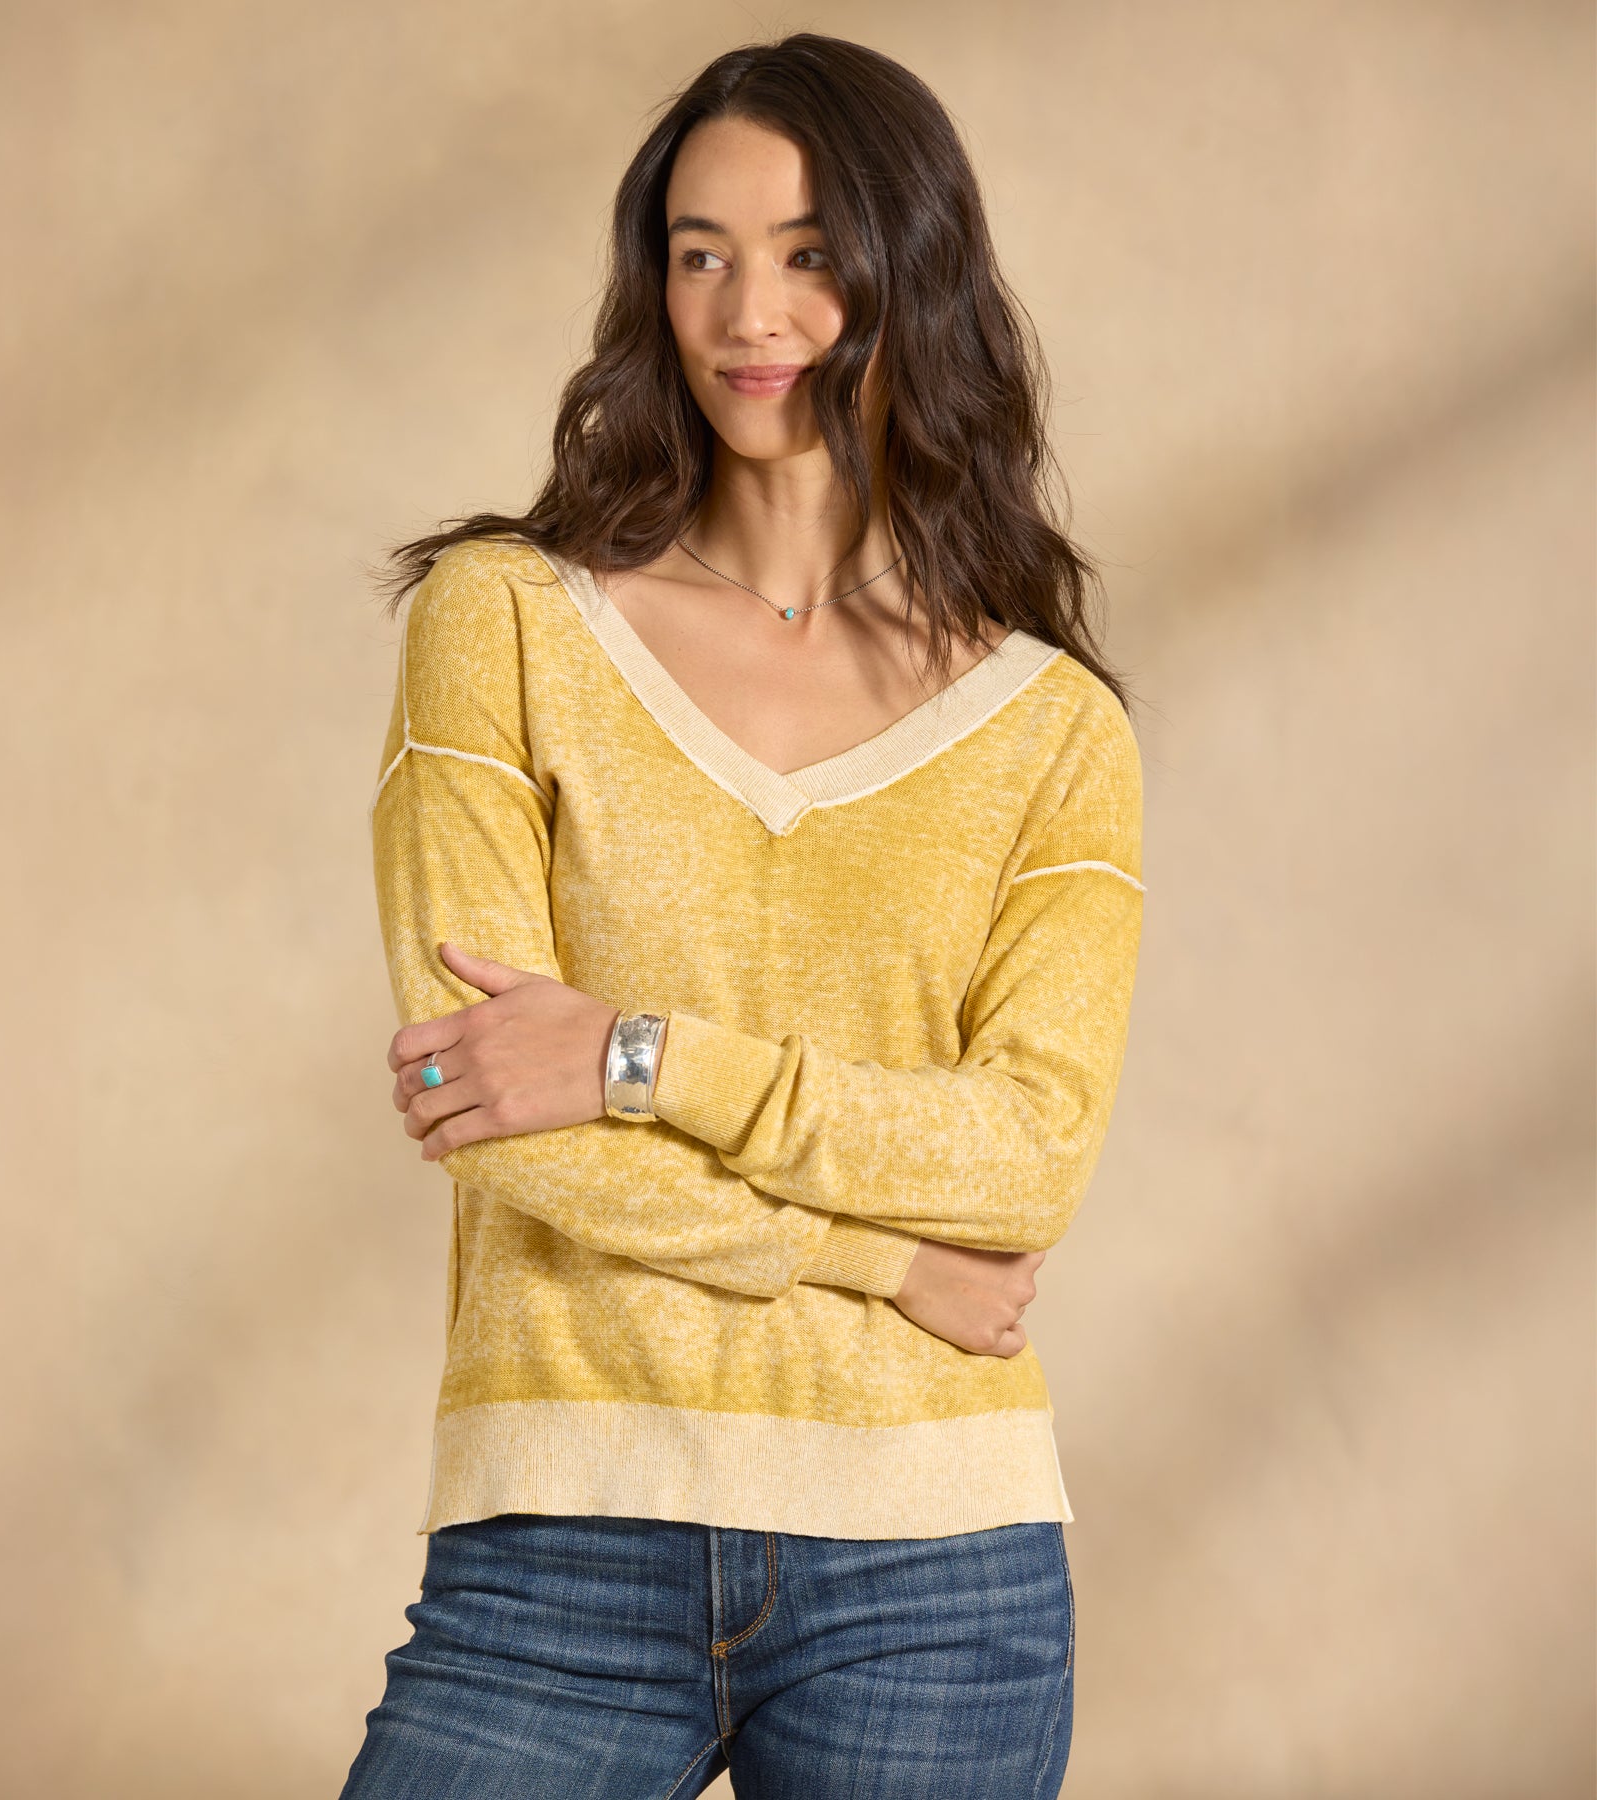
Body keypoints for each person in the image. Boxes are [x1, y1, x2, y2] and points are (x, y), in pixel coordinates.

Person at [340, 31, 1144, 1800]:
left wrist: (636, 1057)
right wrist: (882, 1261)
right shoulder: (505, 622)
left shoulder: (1053, 730)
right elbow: (494, 1108)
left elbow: (1026, 1161)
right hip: (563, 1539)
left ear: (911, 276)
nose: (746, 313)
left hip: (937, 1572)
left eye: (809, 255)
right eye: (699, 253)